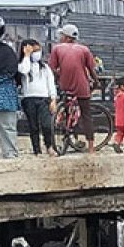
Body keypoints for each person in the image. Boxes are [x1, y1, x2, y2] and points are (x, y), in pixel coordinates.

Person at [47, 23, 98, 153]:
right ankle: (91, 148)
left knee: (66, 110)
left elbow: (51, 68)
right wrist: (96, 82)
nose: (60, 38)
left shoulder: (57, 49)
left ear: (66, 37)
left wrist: (60, 74)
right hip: (82, 86)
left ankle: (67, 136)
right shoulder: (84, 49)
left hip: (65, 85)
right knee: (86, 115)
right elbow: (91, 69)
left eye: (62, 35)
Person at [17, 39, 57, 156]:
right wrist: (26, 55)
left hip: (43, 98)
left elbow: (51, 83)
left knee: (46, 124)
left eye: (38, 50)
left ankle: (49, 146)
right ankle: (37, 150)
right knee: (33, 126)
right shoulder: (22, 65)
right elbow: (24, 70)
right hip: (28, 99)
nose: (37, 53)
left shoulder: (45, 67)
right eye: (34, 51)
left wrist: (53, 99)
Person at [0, 17, 18, 158]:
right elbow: (14, 72)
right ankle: (9, 153)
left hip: (5, 92)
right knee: (8, 126)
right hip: (5, 93)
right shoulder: (8, 51)